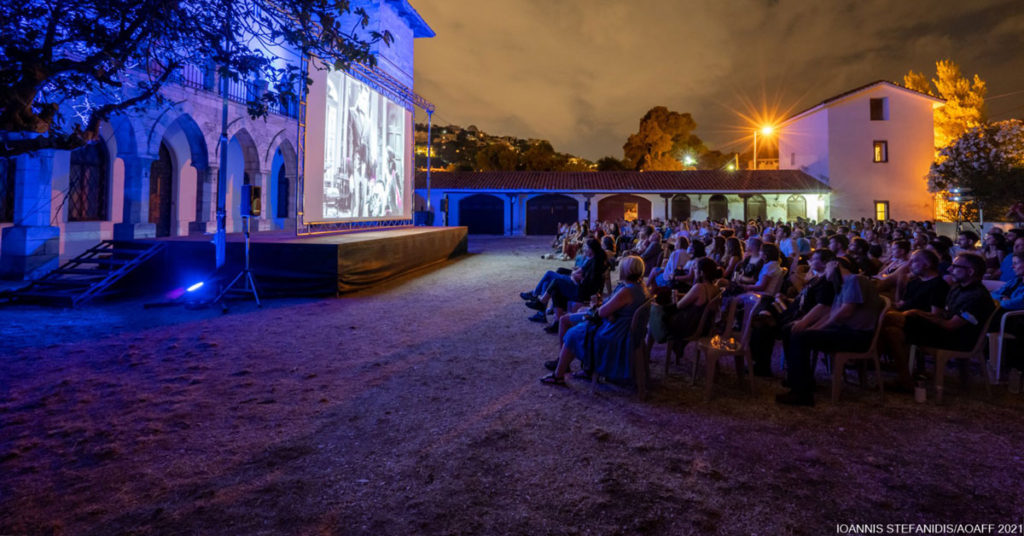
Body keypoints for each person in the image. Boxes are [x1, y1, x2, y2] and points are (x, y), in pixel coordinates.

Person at [776, 257, 884, 406]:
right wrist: (811, 327)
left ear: (835, 265)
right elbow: (832, 313)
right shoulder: (842, 285)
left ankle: (801, 394)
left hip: (857, 336)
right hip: (845, 332)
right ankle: (801, 381)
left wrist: (817, 328)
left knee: (801, 337)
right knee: (792, 330)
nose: (824, 272)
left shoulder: (855, 280)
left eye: (826, 268)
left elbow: (845, 313)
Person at [883, 253, 997, 391]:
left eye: (955, 267)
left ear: (970, 271)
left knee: (888, 318)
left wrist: (917, 313)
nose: (949, 270)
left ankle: (865, 355)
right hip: (945, 333)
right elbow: (945, 315)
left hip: (957, 339)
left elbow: (951, 325)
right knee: (892, 332)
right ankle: (905, 380)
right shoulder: (959, 289)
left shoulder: (976, 297)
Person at [541, 256, 649, 386]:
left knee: (572, 332)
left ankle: (559, 375)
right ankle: (584, 369)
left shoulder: (627, 291)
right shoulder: (641, 287)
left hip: (615, 332)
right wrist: (608, 312)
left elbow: (602, 313)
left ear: (626, 271)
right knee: (577, 314)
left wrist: (595, 305)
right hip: (622, 327)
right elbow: (615, 311)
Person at [748, 248, 837, 377]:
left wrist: (803, 321)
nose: (810, 261)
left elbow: (822, 306)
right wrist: (787, 299)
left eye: (814, 259)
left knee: (763, 326)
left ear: (824, 263)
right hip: (792, 311)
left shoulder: (825, 283)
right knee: (764, 308)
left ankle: (762, 366)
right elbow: (804, 300)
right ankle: (766, 318)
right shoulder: (815, 280)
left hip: (799, 317)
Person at [522, 238, 607, 327]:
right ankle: (555, 321)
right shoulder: (593, 260)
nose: (584, 248)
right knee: (551, 285)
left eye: (586, 247)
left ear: (591, 250)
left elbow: (583, 282)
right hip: (580, 287)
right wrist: (575, 276)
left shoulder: (594, 264)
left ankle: (539, 299)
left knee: (553, 279)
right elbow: (581, 275)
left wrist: (574, 277)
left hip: (581, 292)